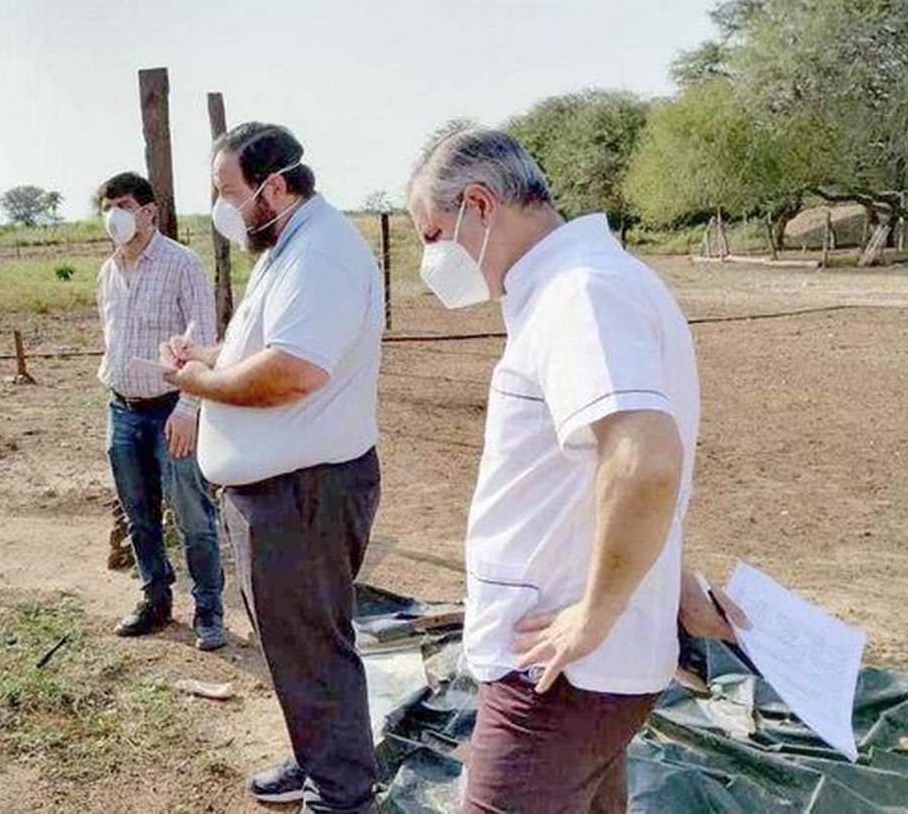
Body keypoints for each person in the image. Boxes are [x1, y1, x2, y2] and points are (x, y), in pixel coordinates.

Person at [405, 127, 702, 813]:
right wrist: (675, 582)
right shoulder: (592, 283)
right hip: (581, 667)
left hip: (557, 672)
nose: (432, 258)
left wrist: (595, 615)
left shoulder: (580, 295)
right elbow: (600, 478)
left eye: (432, 234)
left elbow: (646, 460)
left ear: (479, 205)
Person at [162, 122, 384, 813]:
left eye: (229, 193)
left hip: (304, 492)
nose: (222, 208)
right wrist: (209, 358)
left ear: (274, 187)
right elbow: (261, 345)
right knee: (295, 645)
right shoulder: (287, 246)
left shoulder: (321, 255)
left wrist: (196, 386)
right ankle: (316, 757)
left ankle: (341, 796)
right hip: (283, 490)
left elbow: (290, 372)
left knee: (313, 646)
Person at [93, 171, 226, 651]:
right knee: (139, 515)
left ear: (150, 212)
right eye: (108, 206)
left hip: (172, 410)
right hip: (122, 410)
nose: (116, 216)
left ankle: (208, 609)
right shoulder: (109, 271)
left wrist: (190, 406)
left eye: (125, 205)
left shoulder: (182, 264)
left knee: (192, 513)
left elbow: (202, 338)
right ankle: (155, 599)